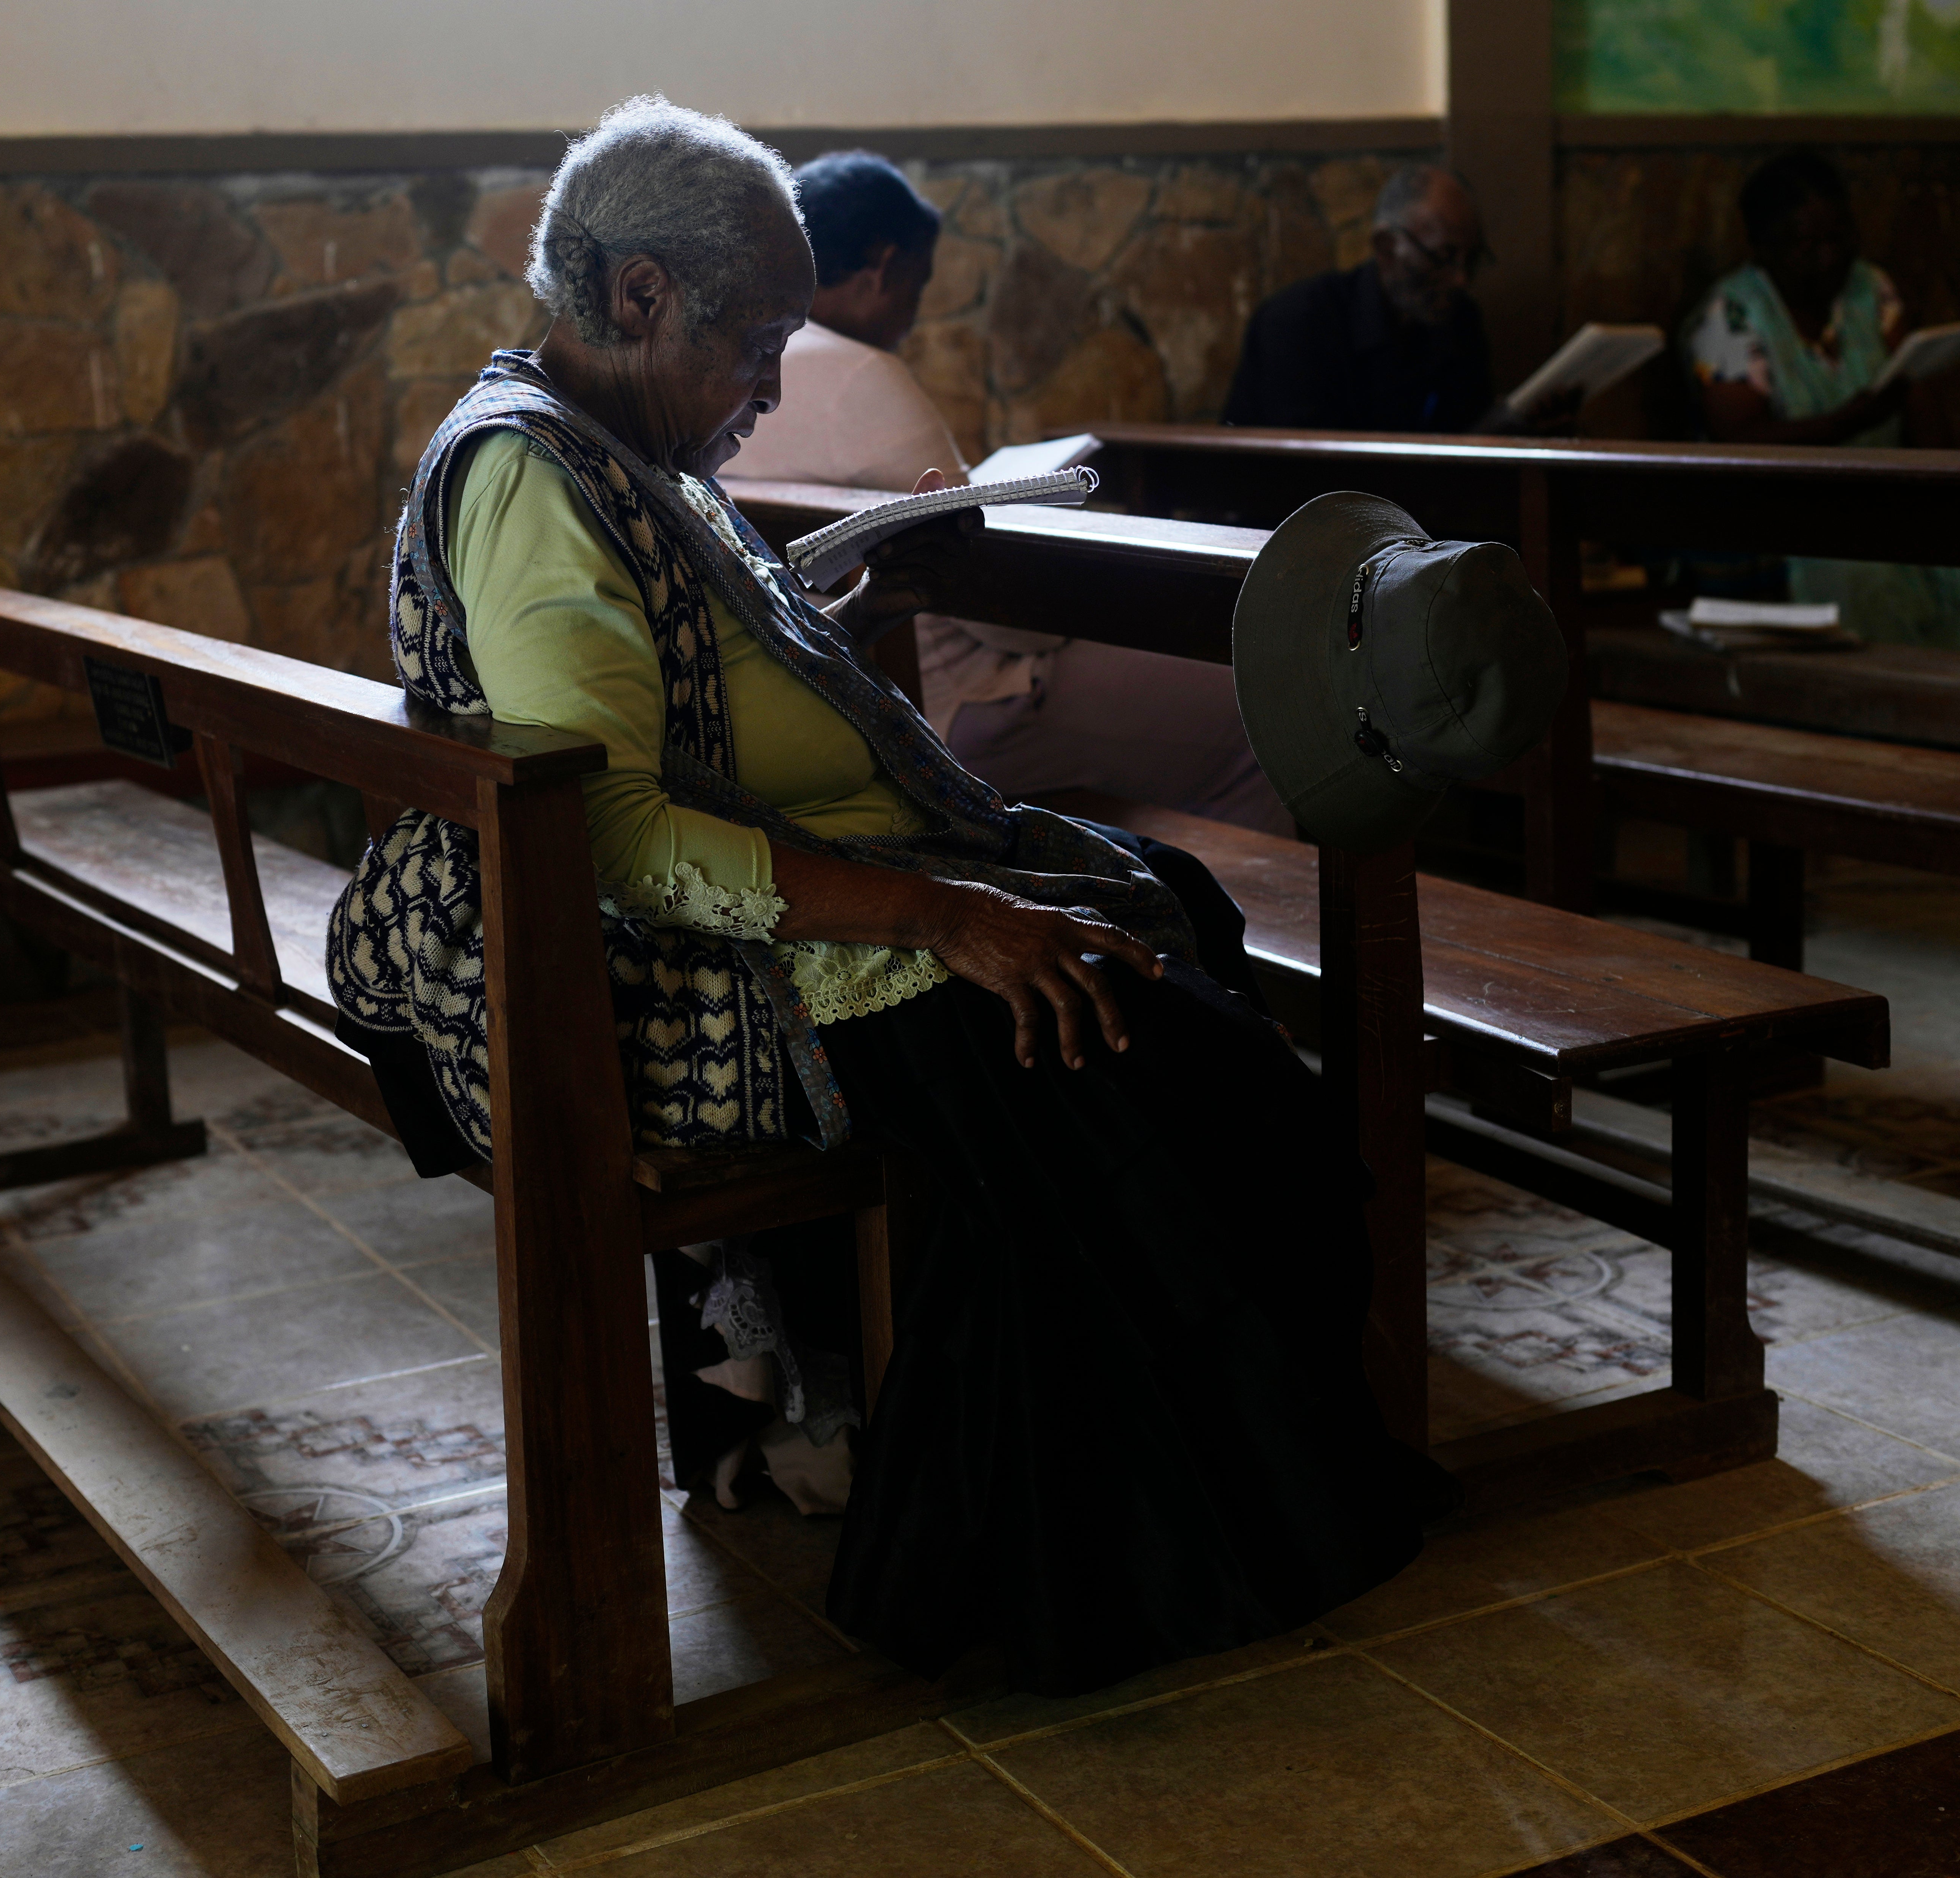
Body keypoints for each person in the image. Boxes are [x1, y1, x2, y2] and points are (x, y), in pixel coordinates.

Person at [325, 96, 1451, 1696]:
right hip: (695, 974)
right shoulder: (532, 482)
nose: (771, 386)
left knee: (1168, 908)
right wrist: (939, 917)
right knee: (1156, 1060)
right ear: (639, 294)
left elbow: (674, 683)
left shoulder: (608, 444)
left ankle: (1125, 1468)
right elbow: (611, 831)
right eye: (755, 341)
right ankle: (1069, 1560)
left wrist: (824, 627)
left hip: (795, 894)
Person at [727, 150, 1291, 833]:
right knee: (1265, 705)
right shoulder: (860, 375)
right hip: (959, 701)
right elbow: (998, 611)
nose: (914, 310)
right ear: (882, 266)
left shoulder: (740, 367)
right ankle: (1235, 926)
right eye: (918, 282)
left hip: (838, 692)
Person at [1681, 149, 1960, 655]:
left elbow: (1921, 411)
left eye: (1839, 238)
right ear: (1764, 248)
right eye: (1808, 245)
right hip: (1794, 523)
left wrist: (1957, 497)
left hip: (1891, 501)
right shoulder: (1731, 315)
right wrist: (1853, 419)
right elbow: (1741, 438)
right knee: (1861, 580)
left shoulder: (1871, 289)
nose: (1829, 257)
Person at [1221, 165, 1507, 434]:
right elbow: (1293, 463)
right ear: (1386, 247)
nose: (1461, 279)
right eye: (1442, 257)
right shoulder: (1298, 323)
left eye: (1471, 260)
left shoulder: (1460, 320)